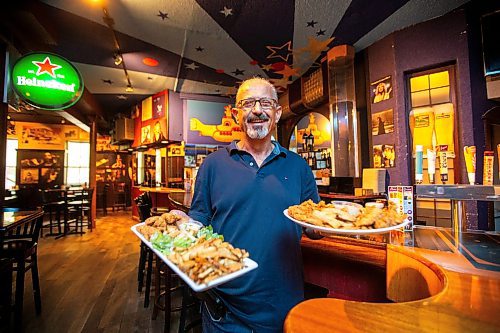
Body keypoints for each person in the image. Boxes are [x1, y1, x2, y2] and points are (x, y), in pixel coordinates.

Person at [189, 77, 319, 333]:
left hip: (282, 304)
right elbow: (199, 217)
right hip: (224, 308)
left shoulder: (299, 167)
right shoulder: (212, 165)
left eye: (266, 103)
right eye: (248, 103)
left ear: (277, 113)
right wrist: (182, 225)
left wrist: (335, 223)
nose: (257, 110)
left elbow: (313, 226)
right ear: (237, 113)